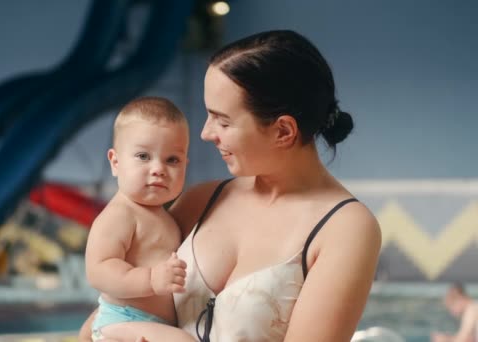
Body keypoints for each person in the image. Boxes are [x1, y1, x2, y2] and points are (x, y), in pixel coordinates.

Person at [79, 29, 382, 341]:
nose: (206, 134)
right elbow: (105, 320)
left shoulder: (345, 229)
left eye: (222, 121)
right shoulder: (202, 201)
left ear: (283, 131)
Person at [84, 96, 196, 341]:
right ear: (115, 162)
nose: (158, 168)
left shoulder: (164, 216)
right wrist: (151, 279)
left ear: (185, 164)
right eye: (143, 156)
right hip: (121, 319)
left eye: (172, 160)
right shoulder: (120, 214)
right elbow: (98, 270)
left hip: (147, 322)